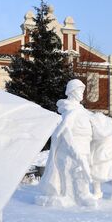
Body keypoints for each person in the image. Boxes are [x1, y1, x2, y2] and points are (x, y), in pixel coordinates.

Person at [39, 79, 97, 207]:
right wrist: (74, 151)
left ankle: (83, 194)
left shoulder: (81, 110)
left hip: (84, 146)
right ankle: (69, 195)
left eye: (82, 90)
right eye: (79, 90)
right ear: (71, 91)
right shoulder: (70, 110)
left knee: (82, 172)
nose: (82, 93)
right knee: (70, 172)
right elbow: (64, 132)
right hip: (71, 148)